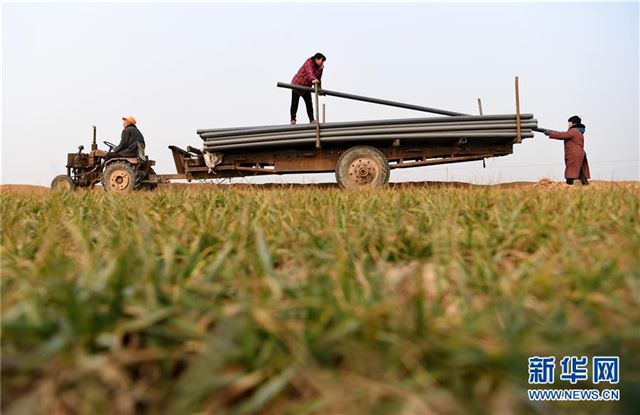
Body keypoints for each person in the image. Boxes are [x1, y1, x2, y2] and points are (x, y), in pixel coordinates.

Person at [544, 116, 590, 185]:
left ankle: (569, 185)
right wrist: (552, 132)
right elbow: (563, 133)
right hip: (579, 154)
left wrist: (550, 133)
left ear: (573, 123)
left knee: (571, 171)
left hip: (574, 154)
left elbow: (563, 135)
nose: (568, 124)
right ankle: (586, 185)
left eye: (569, 123)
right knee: (580, 171)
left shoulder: (573, 131)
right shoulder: (578, 132)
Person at [290, 53, 326, 125]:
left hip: (306, 87)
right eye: (321, 61)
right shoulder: (309, 62)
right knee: (294, 103)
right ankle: (293, 119)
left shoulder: (320, 67)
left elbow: (319, 79)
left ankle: (312, 119)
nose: (322, 63)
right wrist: (313, 79)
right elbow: (310, 73)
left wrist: (319, 89)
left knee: (309, 104)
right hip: (297, 85)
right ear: (316, 59)